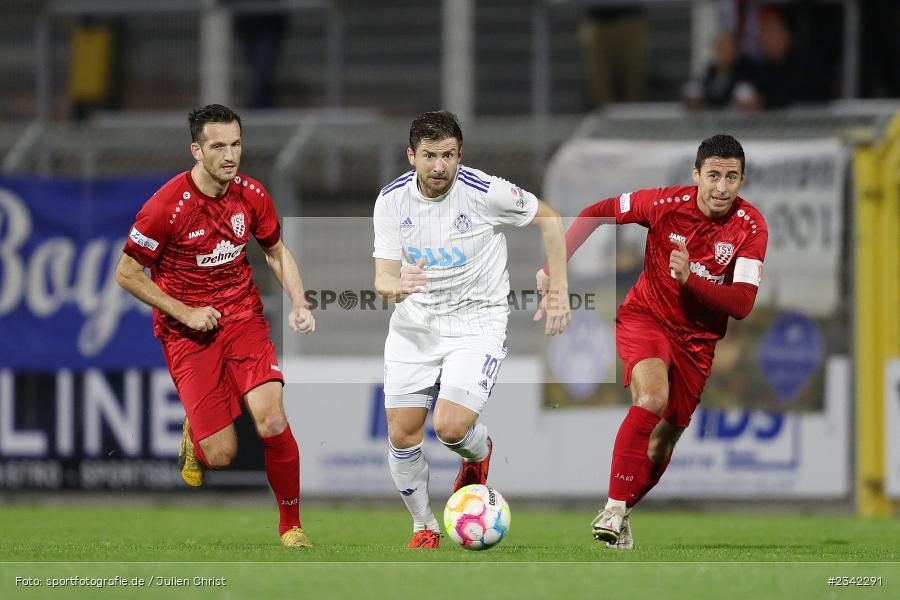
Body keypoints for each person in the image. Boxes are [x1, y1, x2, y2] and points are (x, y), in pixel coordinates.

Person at [537, 134, 767, 549]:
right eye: (713, 175)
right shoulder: (662, 204)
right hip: (647, 319)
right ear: (696, 174)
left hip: (698, 343)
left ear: (741, 180)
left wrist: (690, 279)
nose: (721, 187)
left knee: (662, 444)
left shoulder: (750, 227)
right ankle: (611, 509)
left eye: (731, 177)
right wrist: (556, 266)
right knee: (651, 399)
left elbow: (743, 303)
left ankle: (622, 511)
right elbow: (595, 212)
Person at [115, 104, 316, 549]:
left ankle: (291, 527)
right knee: (222, 455)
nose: (230, 155)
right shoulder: (165, 207)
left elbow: (276, 252)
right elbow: (126, 273)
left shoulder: (252, 195)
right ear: (196, 150)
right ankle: (196, 434)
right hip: (188, 333)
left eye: (236, 144)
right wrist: (184, 312)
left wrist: (298, 302)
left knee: (271, 419)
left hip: (242, 318)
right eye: (218, 146)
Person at [373, 111, 571, 548]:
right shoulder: (391, 201)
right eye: (429, 156)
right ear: (411, 156)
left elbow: (551, 219)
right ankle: (424, 526)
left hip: (476, 323)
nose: (439, 166)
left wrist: (557, 286)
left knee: (448, 426)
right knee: (402, 434)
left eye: (447, 155)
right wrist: (396, 286)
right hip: (415, 327)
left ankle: (477, 457)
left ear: (460, 154)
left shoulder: (485, 191)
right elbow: (383, 279)